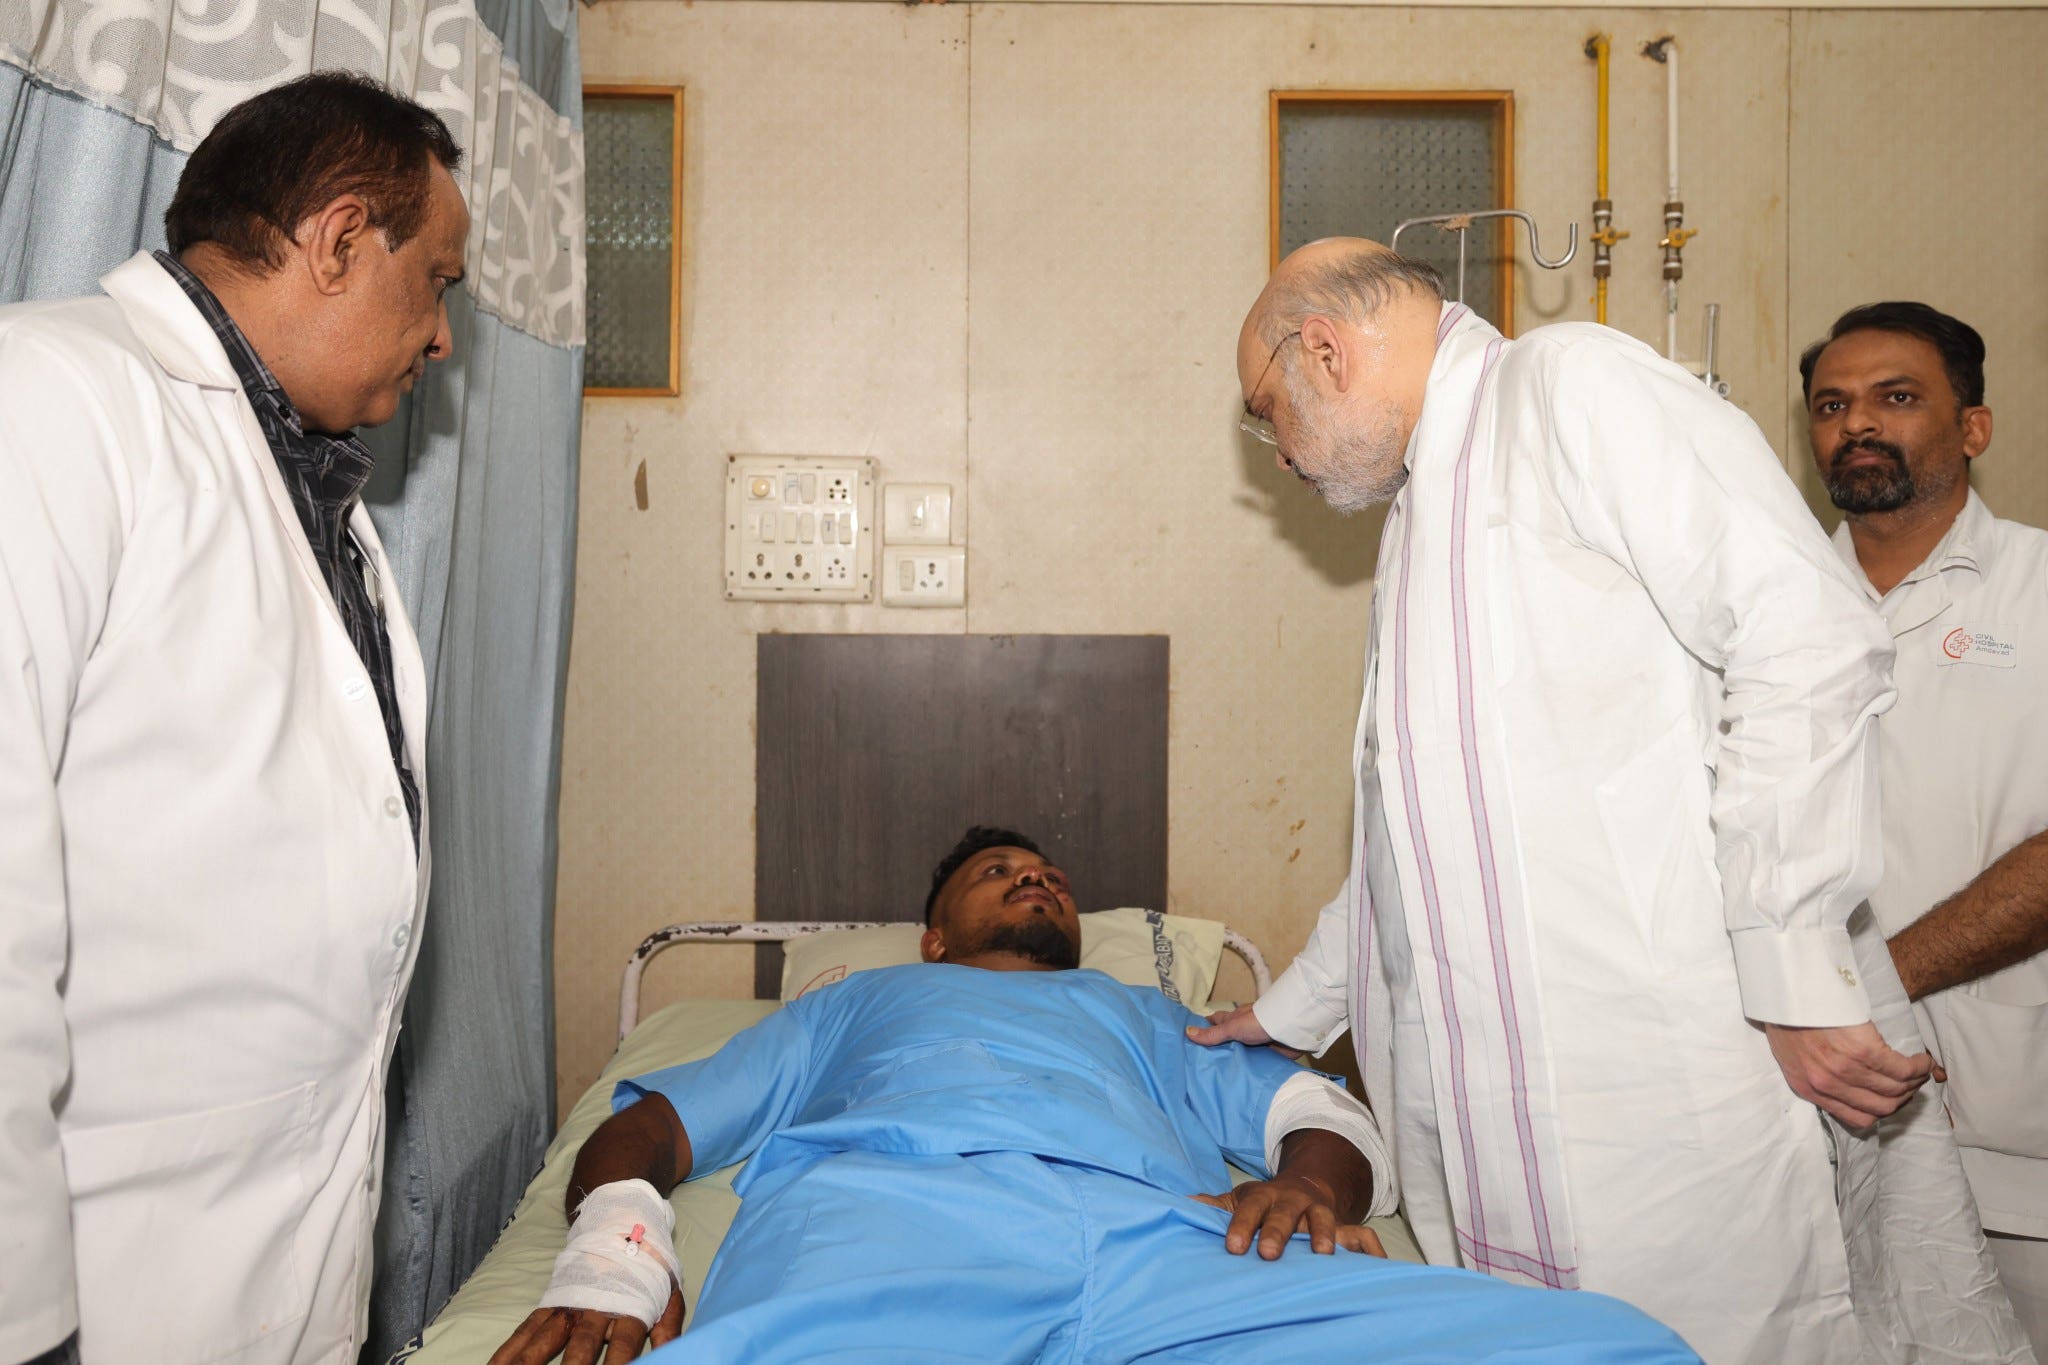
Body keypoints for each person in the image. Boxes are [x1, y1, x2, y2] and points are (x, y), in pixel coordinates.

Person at [1191, 239, 2029, 1363]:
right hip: (1494, 1110)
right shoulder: (1422, 512)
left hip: (1654, 1083)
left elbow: (1805, 632)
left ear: (1325, 352)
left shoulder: (1565, 386)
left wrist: (1790, 961)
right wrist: (1291, 1008)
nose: (1276, 451)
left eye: (1266, 412)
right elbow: (1412, 838)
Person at [489, 827, 1696, 1365]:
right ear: (931, 936)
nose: (1035, 879)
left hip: (1161, 1251)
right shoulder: (844, 1008)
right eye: (997, 873)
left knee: (1615, 1348)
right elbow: (645, 1129)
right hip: (893, 1231)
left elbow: (1313, 1115)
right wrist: (617, 1251)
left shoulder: (1151, 1017)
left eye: (1048, 875)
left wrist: (1302, 1186)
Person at [0, 73, 469, 1364]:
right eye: (435, 280)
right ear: (334, 241)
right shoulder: (45, 400)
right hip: (96, 1280)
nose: (442, 340)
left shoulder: (324, 510)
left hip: (275, 1265)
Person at [1802, 300, 2048, 1354]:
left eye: (1894, 398)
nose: (1856, 423)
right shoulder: (1762, 612)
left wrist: (1867, 988)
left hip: (2012, 1138)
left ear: (1972, 428)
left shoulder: (2037, 595)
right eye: (1829, 405)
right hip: (1809, 1125)